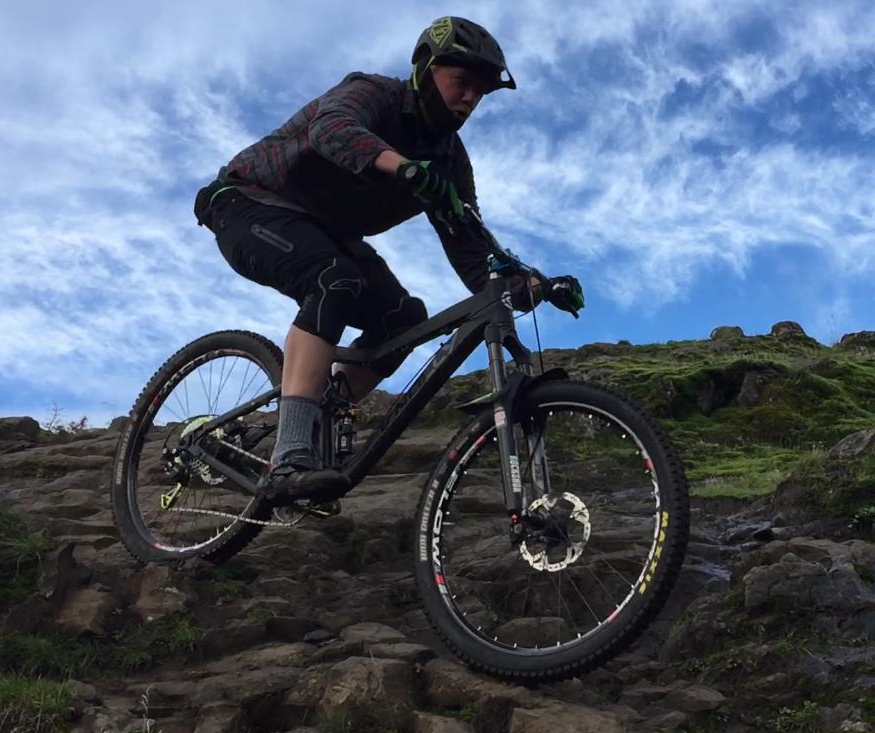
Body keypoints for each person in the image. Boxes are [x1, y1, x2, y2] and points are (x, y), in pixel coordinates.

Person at [193, 16, 583, 511]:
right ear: (424, 70)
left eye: (480, 93)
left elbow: (470, 246)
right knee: (334, 278)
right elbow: (331, 130)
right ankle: (288, 457)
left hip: (329, 233)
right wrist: (401, 166)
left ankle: (317, 418)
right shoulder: (374, 93)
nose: (469, 99)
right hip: (250, 201)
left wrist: (531, 284)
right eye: (461, 82)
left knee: (405, 320)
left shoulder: (449, 160)